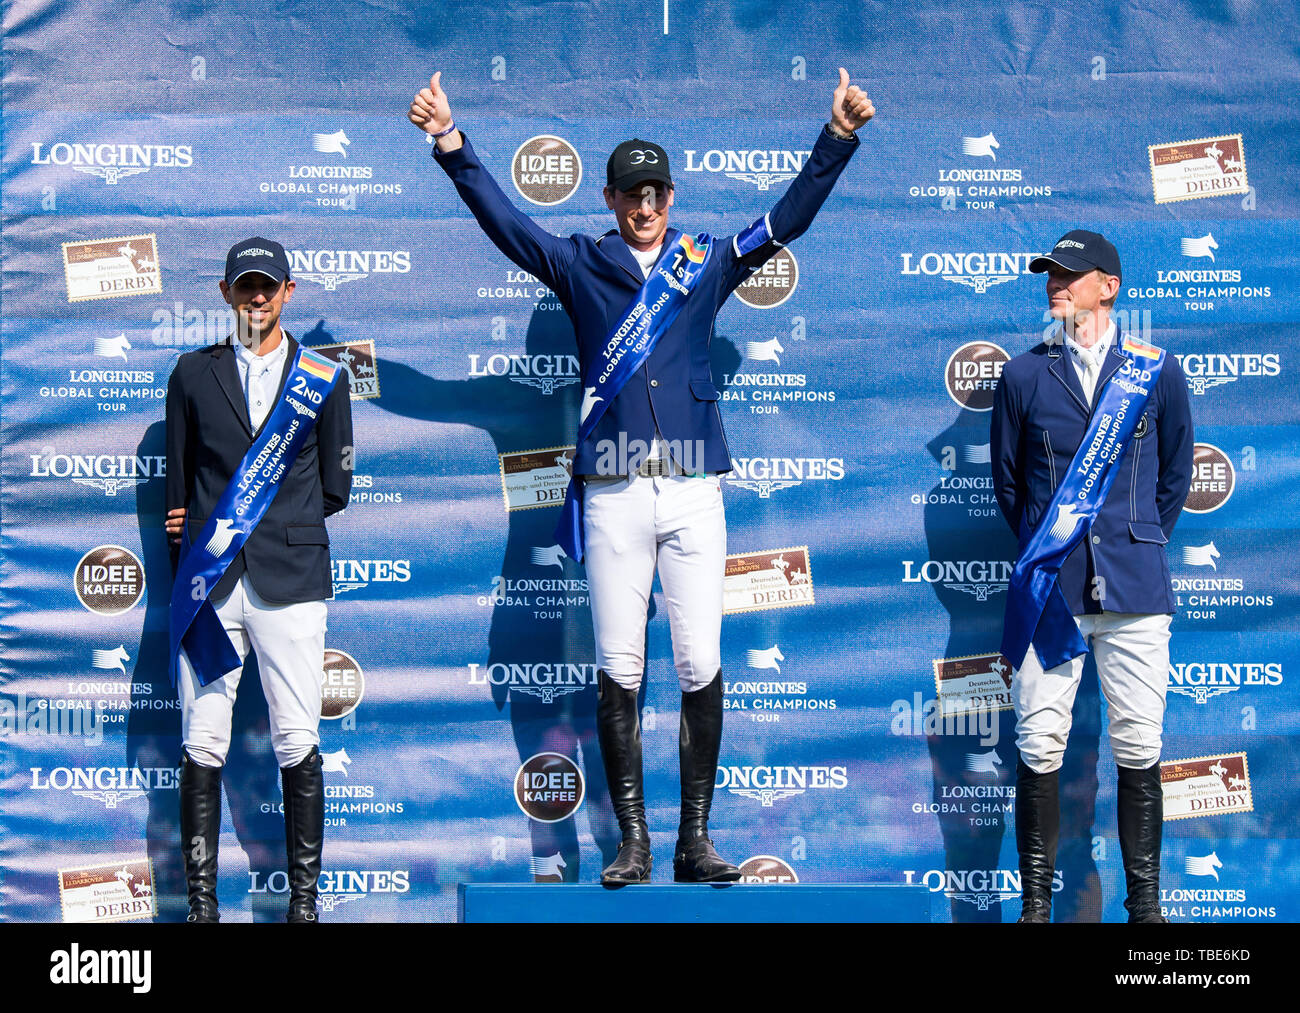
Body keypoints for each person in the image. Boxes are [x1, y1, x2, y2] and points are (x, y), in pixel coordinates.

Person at [409, 70, 873, 884]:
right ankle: (635, 840)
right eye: (631, 193)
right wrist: (452, 144)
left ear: (671, 194)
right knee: (620, 664)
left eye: (656, 191)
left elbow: (787, 219)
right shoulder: (581, 264)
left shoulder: (705, 262)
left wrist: (834, 140)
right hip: (615, 494)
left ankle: (696, 840)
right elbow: (506, 225)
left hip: (694, 489)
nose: (646, 205)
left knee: (700, 661)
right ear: (611, 197)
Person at [990, 230, 1194, 923]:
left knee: (1140, 744)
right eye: (1050, 273)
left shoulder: (1156, 370)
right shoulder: (1021, 376)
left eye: (1070, 274)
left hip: (1136, 587)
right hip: (1053, 589)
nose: (1056, 283)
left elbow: (1174, 477)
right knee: (1039, 742)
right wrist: (1056, 550)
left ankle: (1146, 913)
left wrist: (1133, 539)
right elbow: (1011, 490)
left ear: (1108, 285)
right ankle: (1036, 912)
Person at [164, 238, 353, 922]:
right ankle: (202, 907)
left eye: (266, 287)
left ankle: (304, 906)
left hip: (293, 577)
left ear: (288, 292)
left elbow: (335, 487)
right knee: (203, 738)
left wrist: (272, 523)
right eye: (244, 287)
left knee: (298, 737)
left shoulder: (324, 377)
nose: (256, 298)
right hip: (211, 586)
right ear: (225, 294)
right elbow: (180, 494)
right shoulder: (191, 373)